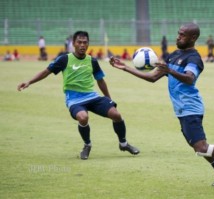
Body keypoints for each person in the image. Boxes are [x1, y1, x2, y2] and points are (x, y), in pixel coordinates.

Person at [109, 23, 214, 186]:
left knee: (201, 147)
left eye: (182, 35)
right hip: (182, 109)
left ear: (193, 38)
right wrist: (125, 67)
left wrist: (170, 71)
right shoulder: (173, 55)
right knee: (197, 146)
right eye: (178, 34)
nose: (178, 37)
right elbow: (152, 77)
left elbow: (189, 78)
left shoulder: (194, 59)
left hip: (190, 108)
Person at [17, 31, 139, 160]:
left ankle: (123, 144)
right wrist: (29, 82)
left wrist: (108, 98)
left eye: (85, 42)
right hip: (74, 100)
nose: (82, 45)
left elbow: (100, 80)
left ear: (88, 44)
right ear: (73, 44)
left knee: (116, 114)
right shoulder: (64, 59)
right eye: (79, 42)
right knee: (83, 117)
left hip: (92, 96)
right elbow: (46, 72)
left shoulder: (92, 61)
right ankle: (87, 145)